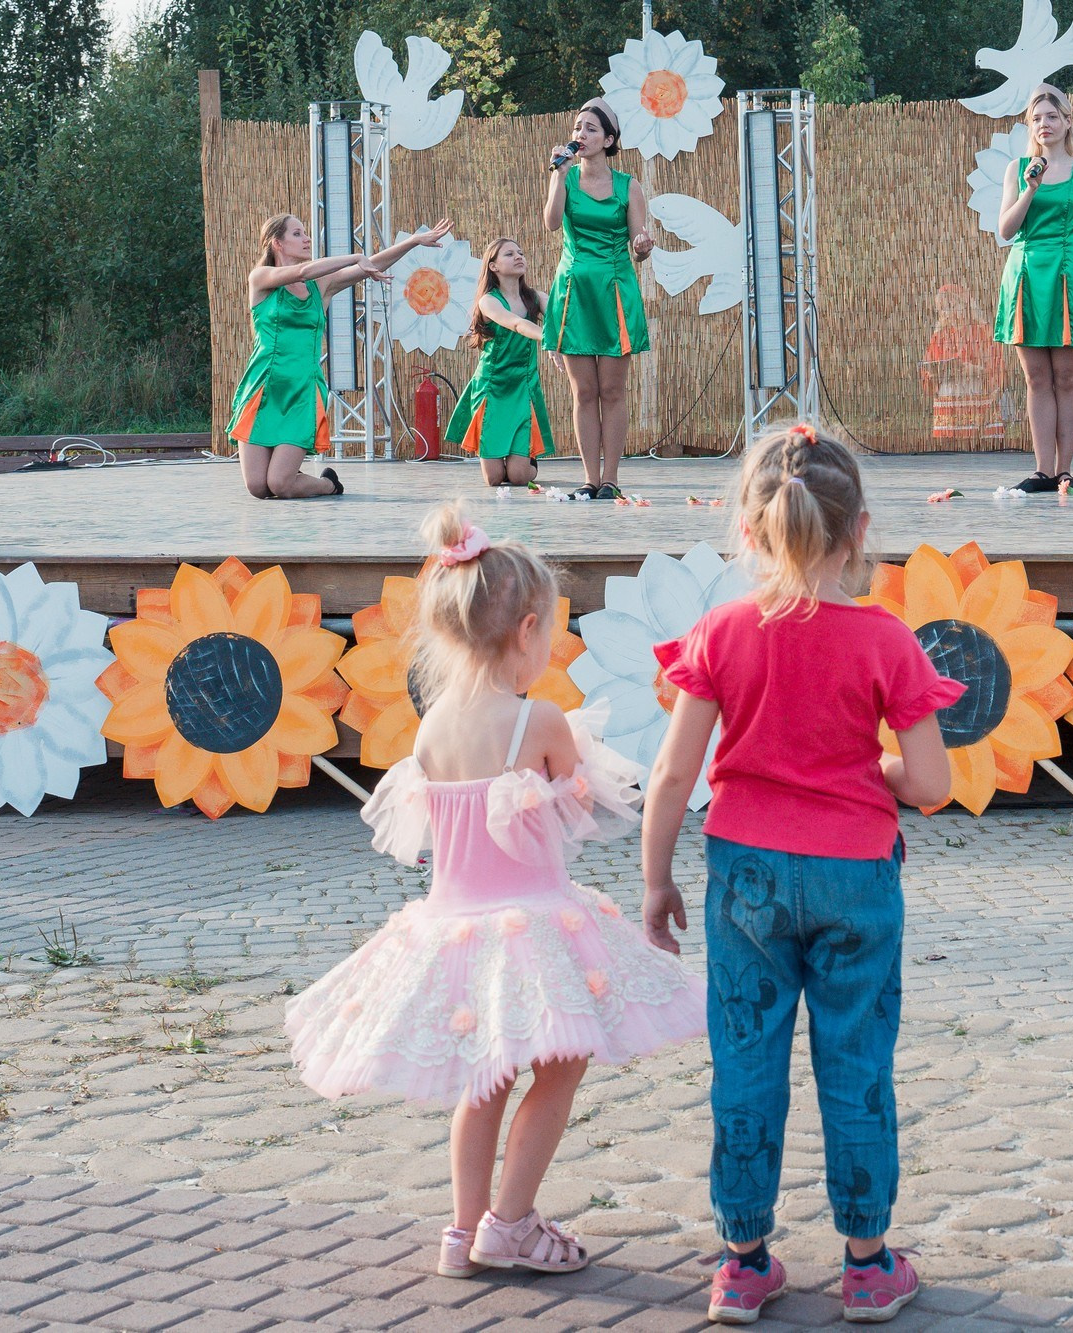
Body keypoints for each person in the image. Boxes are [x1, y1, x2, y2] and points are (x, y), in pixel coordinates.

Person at [285, 504, 704, 1279]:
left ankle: (462, 1227)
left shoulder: (430, 725)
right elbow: (579, 811)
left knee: (483, 1077)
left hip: (453, 925)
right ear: (527, 629)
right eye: (549, 633)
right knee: (565, 1059)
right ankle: (510, 1219)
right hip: (534, 923)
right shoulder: (537, 720)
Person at [641, 423, 961, 1325]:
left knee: (746, 1059)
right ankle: (867, 1261)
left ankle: (742, 1260)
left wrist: (655, 879)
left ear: (748, 531)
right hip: (857, 873)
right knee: (856, 1059)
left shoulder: (724, 631)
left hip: (745, 876)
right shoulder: (886, 641)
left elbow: (673, 774)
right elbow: (931, 784)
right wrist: (875, 777)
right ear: (860, 530)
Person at [229, 213, 452, 498]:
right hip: (262, 387)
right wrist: (354, 256)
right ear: (277, 243)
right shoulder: (261, 278)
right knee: (258, 488)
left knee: (280, 485)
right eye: (297, 234)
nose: (306, 238)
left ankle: (328, 484)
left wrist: (412, 242)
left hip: (301, 390)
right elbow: (301, 272)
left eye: (305, 232)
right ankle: (289, 470)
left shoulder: (320, 286)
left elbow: (371, 266)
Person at [994, 84, 1073, 494]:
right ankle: (1042, 470)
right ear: (1029, 127)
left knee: (1067, 378)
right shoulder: (1018, 169)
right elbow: (1006, 231)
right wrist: (1032, 187)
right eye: (1036, 119)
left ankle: (1064, 470)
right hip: (1028, 273)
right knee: (1035, 379)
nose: (1044, 125)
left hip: (1070, 272)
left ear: (1067, 121)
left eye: (1051, 117)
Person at [543, 97, 655, 501]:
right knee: (583, 391)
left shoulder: (629, 185)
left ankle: (611, 478)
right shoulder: (566, 177)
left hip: (613, 291)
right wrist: (558, 175)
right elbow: (552, 223)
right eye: (577, 128)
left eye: (590, 129)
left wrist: (643, 246)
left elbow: (638, 247)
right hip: (574, 291)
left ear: (609, 140)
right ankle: (590, 479)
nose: (581, 135)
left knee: (611, 391)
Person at [450, 238, 554, 488]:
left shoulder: (536, 297)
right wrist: (548, 338)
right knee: (494, 480)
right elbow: (516, 324)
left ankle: (524, 461)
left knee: (519, 477)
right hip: (492, 388)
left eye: (520, 252)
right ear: (493, 266)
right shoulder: (488, 301)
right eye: (509, 254)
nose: (519, 257)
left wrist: (559, 340)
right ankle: (506, 459)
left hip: (523, 386)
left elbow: (561, 321)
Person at [920, 283, 1010, 445]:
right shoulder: (939, 335)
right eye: (943, 308)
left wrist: (976, 370)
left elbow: (997, 366)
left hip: (976, 391)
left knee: (982, 446)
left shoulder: (983, 331)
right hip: (948, 395)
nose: (948, 312)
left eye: (952, 305)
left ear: (965, 305)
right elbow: (929, 367)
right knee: (950, 448)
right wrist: (933, 374)